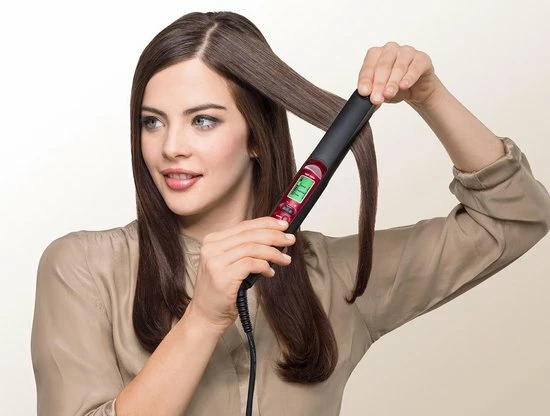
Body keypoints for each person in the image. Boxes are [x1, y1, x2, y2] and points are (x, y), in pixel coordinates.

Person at [31, 10, 550, 416]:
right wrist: (202, 319)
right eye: (152, 122)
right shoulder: (84, 269)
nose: (171, 147)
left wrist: (430, 96)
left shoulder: (338, 277)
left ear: (257, 136)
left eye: (203, 121)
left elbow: (513, 219)